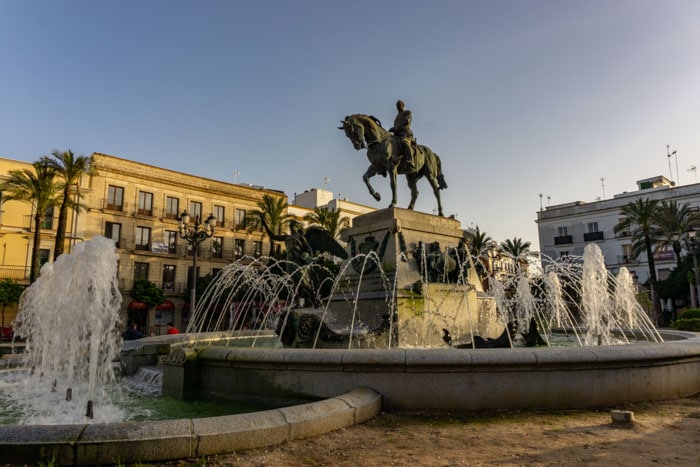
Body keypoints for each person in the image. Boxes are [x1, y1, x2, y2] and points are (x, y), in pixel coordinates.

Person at [388, 99, 415, 168]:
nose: (398, 107)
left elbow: (406, 122)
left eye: (399, 105)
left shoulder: (407, 112)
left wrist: (395, 128)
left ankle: (411, 159)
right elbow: (395, 127)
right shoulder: (396, 118)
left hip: (405, 133)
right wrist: (392, 129)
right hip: (397, 135)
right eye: (397, 105)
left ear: (403, 105)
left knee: (404, 142)